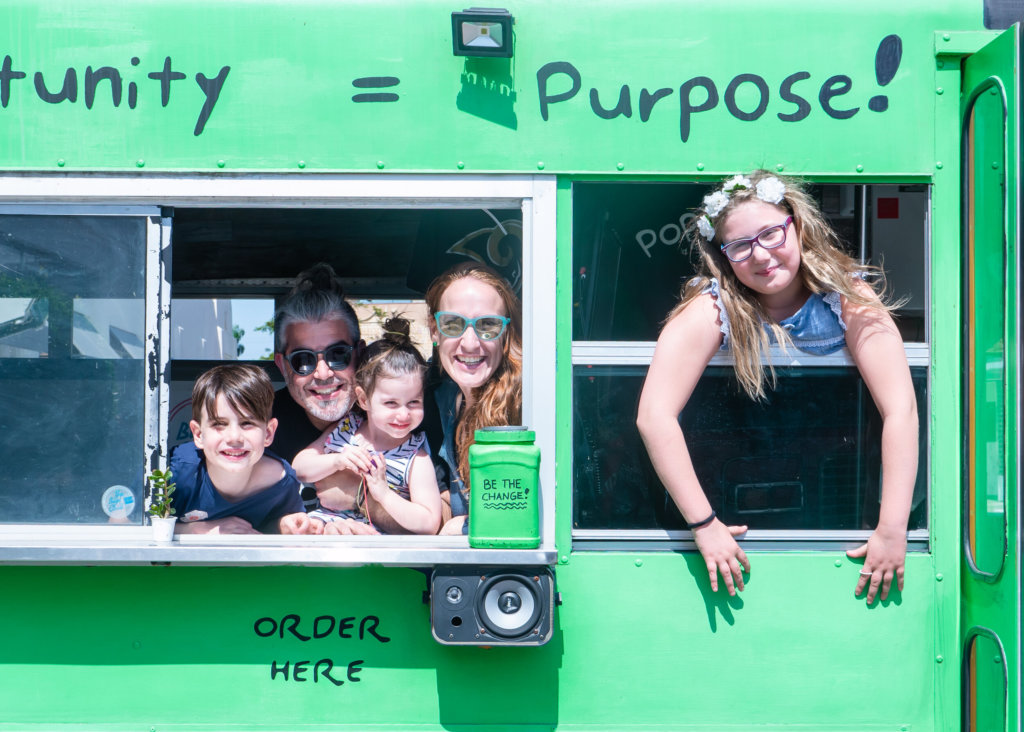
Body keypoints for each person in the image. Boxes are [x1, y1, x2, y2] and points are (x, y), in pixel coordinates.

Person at [636, 170, 917, 604]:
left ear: (797, 225)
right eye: (740, 246)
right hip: (737, 500)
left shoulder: (846, 297)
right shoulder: (712, 307)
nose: (760, 255)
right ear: (723, 256)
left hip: (838, 499)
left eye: (770, 234)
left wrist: (892, 528)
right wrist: (704, 525)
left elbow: (901, 411)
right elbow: (654, 416)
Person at [292, 317, 442, 534]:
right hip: (322, 531)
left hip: (375, 544)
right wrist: (336, 461)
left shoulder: (416, 457)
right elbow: (299, 468)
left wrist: (383, 494)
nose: (403, 414)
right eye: (391, 403)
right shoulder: (347, 428)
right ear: (363, 400)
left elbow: (429, 523)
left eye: (414, 402)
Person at [270, 263, 379, 535]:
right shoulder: (258, 423)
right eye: (303, 360)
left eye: (338, 354)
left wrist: (364, 501)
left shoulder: (398, 412)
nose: (322, 373)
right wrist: (279, 526)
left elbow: (445, 511)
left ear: (360, 354)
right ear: (282, 365)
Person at [423, 262, 523, 535]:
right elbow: (447, 499)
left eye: (487, 325)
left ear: (505, 334)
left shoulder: (524, 405)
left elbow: (519, 516)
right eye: (452, 324)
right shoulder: (439, 398)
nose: (469, 342)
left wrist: (461, 526)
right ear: (434, 330)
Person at [170, 364, 313, 535]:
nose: (234, 437)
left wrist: (282, 525)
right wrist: (196, 530)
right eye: (219, 424)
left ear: (268, 433)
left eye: (247, 423)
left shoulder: (281, 482)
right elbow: (133, 525)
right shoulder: (176, 473)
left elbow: (268, 528)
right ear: (198, 434)